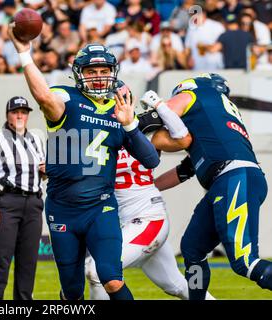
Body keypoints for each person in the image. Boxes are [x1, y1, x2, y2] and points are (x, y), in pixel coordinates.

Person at [8, 24, 160, 299]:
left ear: (113, 73)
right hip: (61, 208)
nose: (99, 77)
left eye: (104, 72)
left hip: (100, 207)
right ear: (80, 74)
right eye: (92, 72)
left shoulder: (120, 110)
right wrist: (24, 54)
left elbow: (150, 160)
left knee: (111, 279)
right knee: (73, 290)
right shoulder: (69, 98)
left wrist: (129, 126)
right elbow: (43, 96)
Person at [140, 73, 272, 299]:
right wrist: (146, 188)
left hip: (233, 177)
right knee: (192, 248)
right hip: (230, 179)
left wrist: (132, 125)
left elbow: (167, 115)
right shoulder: (216, 123)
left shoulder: (198, 93)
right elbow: (183, 172)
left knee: (244, 262)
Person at [85, 109, 214, 300]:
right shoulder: (100, 141)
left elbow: (182, 137)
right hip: (126, 222)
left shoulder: (143, 137)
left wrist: (159, 106)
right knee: (177, 286)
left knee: (97, 271)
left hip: (147, 218)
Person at [0, 96, 45, 300]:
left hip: (34, 204)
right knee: (1, 260)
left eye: (24, 112)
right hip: (8, 202)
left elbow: (41, 172)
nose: (20, 115)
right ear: (7, 115)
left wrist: (46, 170)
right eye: (15, 112)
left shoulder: (35, 140)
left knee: (28, 262)